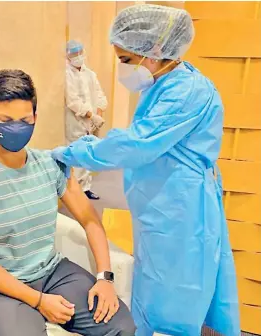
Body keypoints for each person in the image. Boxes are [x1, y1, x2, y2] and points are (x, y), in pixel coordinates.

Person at [52, 4, 240, 336]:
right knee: (154, 284)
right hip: (162, 206)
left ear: (153, 53)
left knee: (176, 296)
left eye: (125, 59)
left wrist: (72, 152)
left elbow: (135, 145)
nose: (123, 68)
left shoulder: (185, 92)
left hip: (181, 211)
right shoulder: (162, 82)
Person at [0, 69, 135, 336]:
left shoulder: (50, 165)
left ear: (35, 118)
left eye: (23, 120)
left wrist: (105, 278)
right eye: (5, 120)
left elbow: (90, 220)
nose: (15, 127)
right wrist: (38, 301)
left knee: (123, 327)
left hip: (52, 272)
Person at [65, 40, 108, 200]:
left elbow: (99, 95)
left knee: (89, 153)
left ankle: (86, 188)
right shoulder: (67, 75)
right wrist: (91, 115)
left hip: (92, 122)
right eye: (73, 54)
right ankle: (76, 191)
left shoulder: (90, 74)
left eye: (79, 53)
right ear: (67, 56)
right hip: (76, 122)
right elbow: (73, 101)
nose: (78, 57)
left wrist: (98, 114)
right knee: (77, 155)